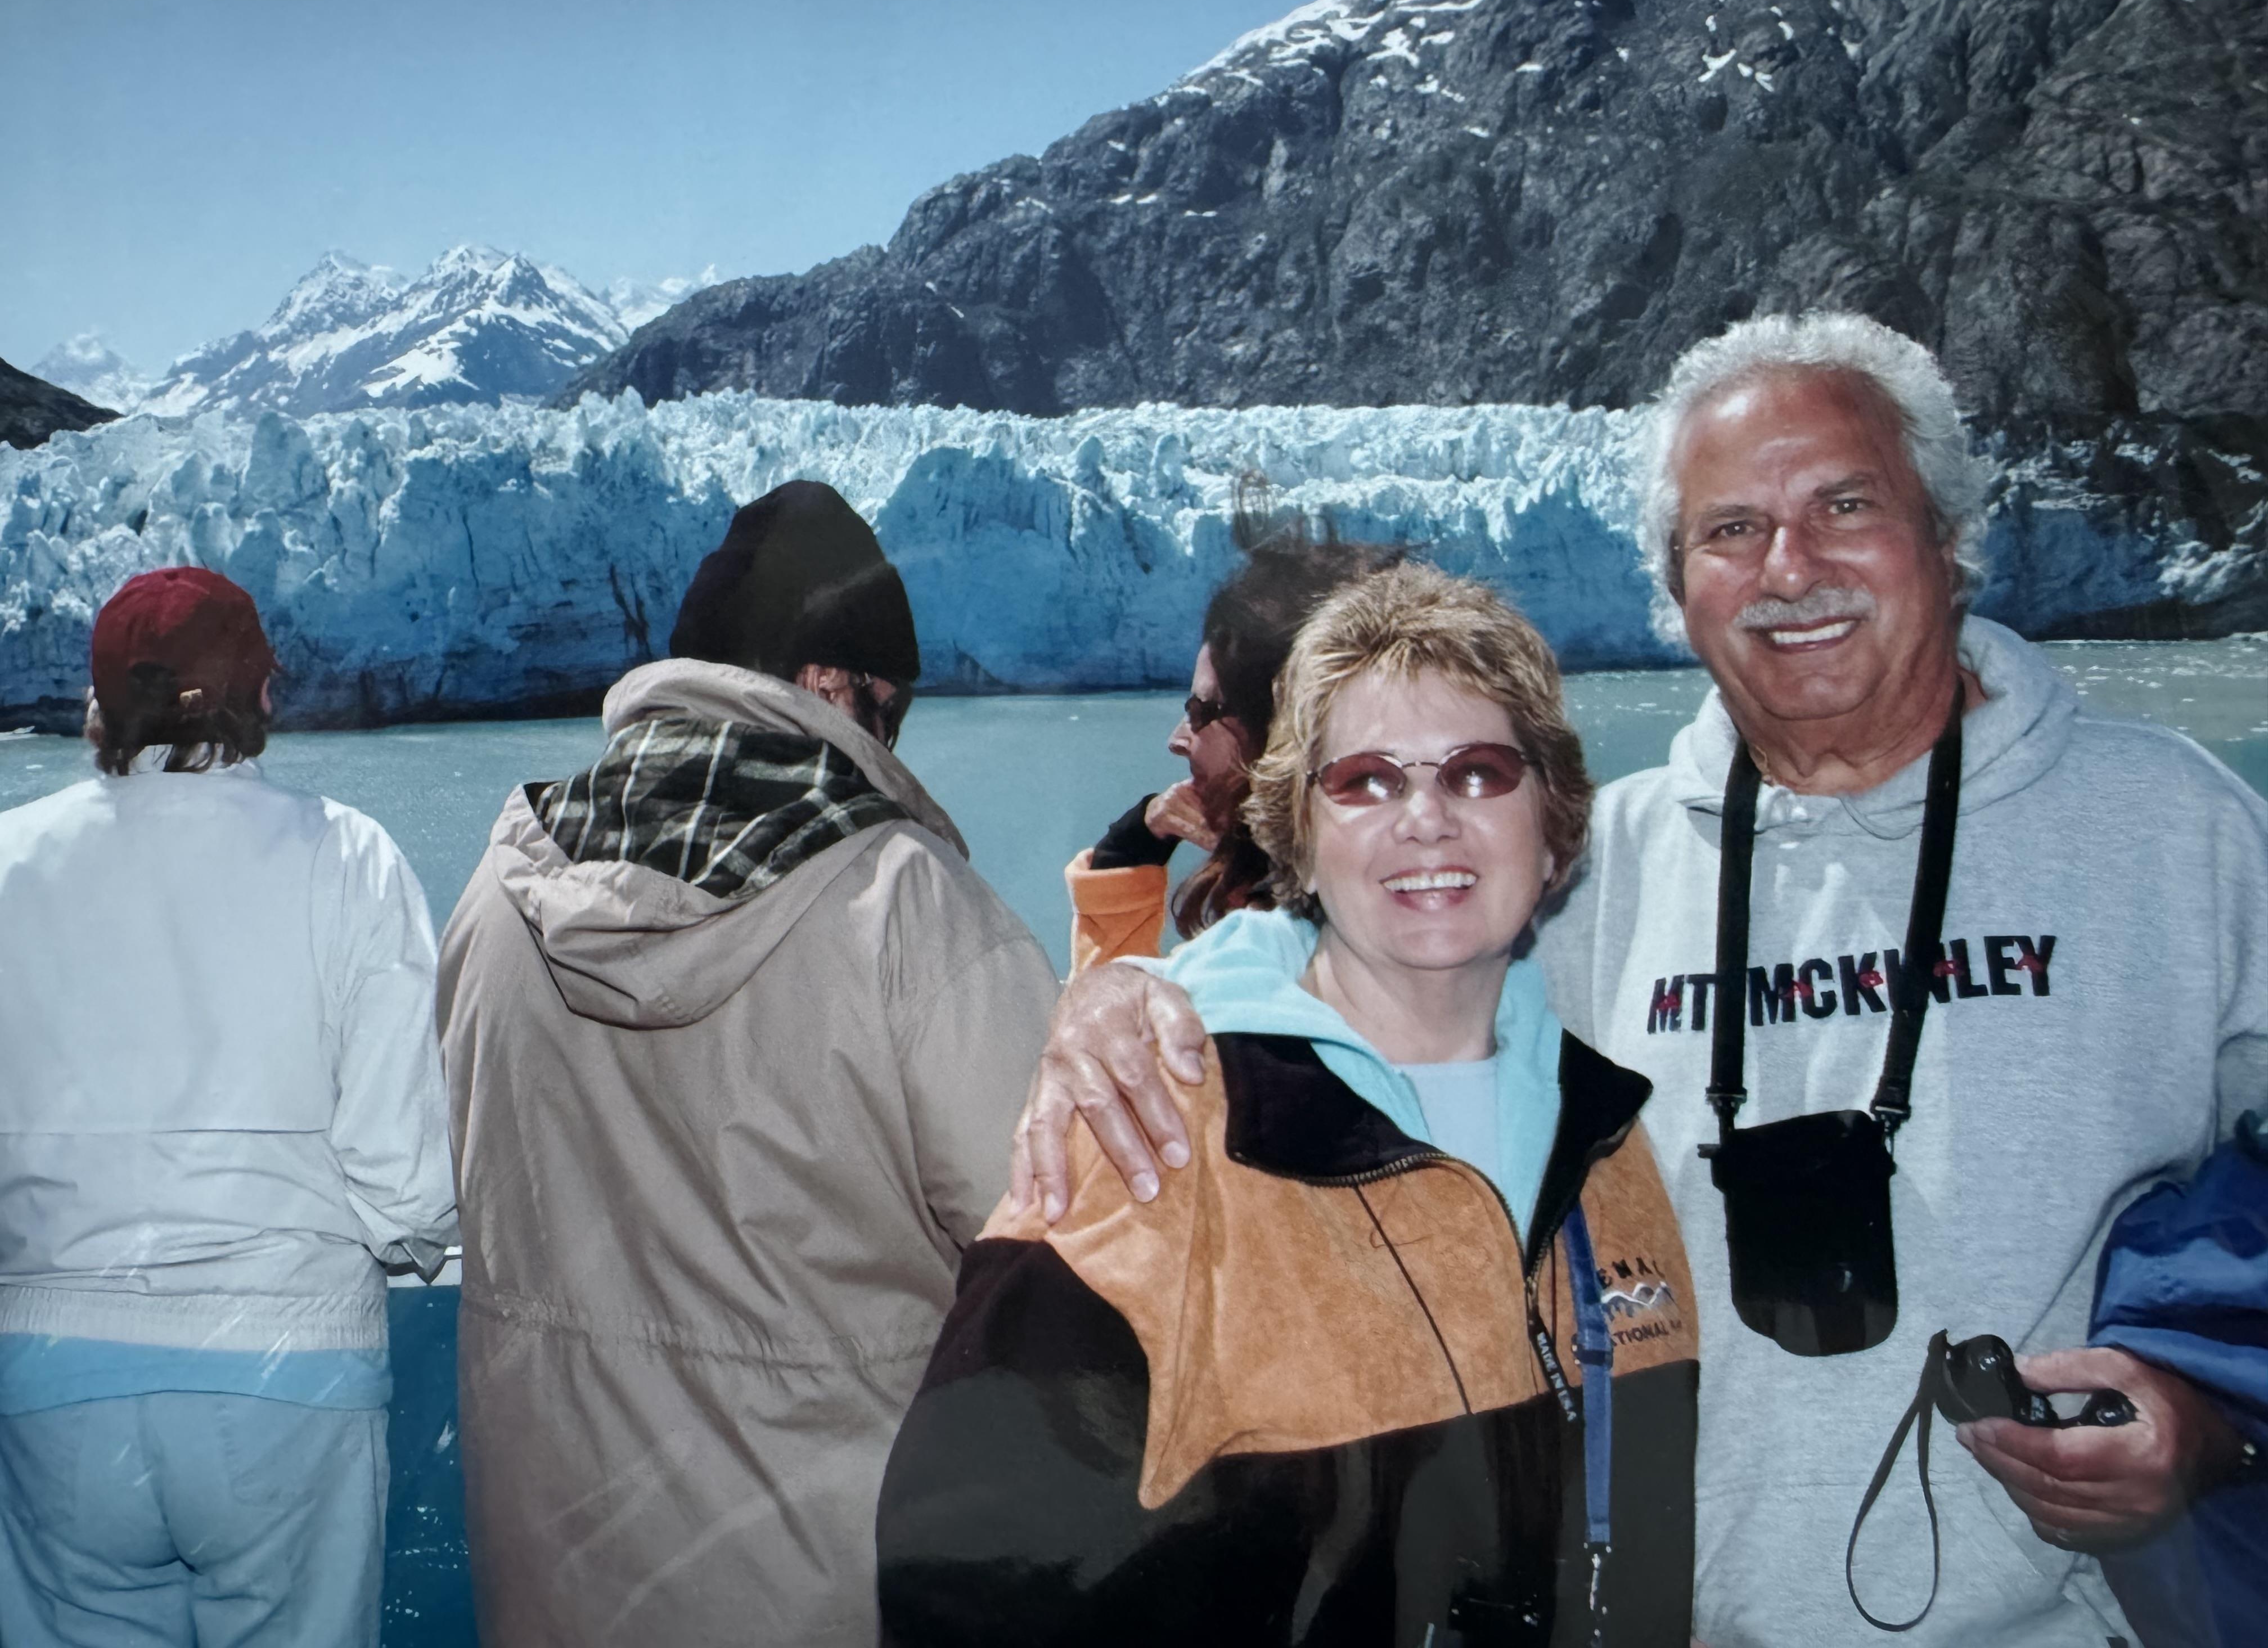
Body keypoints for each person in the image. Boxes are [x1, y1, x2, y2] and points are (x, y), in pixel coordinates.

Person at [1012, 315, 2268, 1645]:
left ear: (1949, 536)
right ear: (1675, 588)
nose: (1790, 568)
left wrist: (2217, 1414)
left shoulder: (2173, 829)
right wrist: (1147, 995)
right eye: (1731, 530)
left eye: (1845, 505)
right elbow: (1365, 964)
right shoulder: (1598, 869)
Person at [878, 562, 1699, 1647]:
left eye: (1479, 771)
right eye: (1365, 779)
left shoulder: (1608, 1145)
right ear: (1297, 837)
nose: (1426, 819)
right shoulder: (1155, 1141)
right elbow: (962, 1592)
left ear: (1552, 826)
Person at [439, 479, 1060, 1647]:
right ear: (828, 686)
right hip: (824, 1588)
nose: (892, 743)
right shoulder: (907, 906)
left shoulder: (496, 892)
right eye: (891, 709)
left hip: (554, 1582)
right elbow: (1066, 1255)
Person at [0, 566, 457, 1648]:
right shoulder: (348, 856)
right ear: (262, 691)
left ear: (101, 704)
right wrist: (414, 1238)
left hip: (53, 1382)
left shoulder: (9, 862)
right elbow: (403, 1180)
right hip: (287, 1373)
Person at [1066, 534, 1400, 974]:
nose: (1177, 739)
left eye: (1203, 711)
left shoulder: (1268, 962)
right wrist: (1135, 843)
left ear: (1284, 733)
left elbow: (1116, 1013)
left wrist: (1130, 852)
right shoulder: (1377, 921)